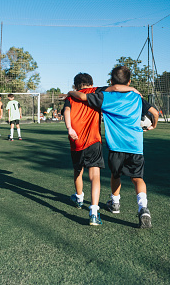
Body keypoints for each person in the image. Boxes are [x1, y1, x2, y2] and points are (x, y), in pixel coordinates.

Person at [68, 66, 159, 229]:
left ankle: (115, 202)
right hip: (135, 145)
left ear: (111, 81)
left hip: (116, 146)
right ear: (129, 81)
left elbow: (82, 96)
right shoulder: (137, 97)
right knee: (138, 178)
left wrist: (70, 93)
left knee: (115, 174)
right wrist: (153, 125)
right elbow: (155, 113)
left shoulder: (105, 97)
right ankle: (143, 208)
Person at [63, 72, 138, 226]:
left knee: (78, 171)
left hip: (75, 140)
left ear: (76, 85)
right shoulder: (96, 91)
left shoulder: (70, 97)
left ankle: (78, 198)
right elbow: (116, 87)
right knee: (95, 175)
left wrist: (70, 128)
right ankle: (94, 212)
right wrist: (134, 90)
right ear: (91, 84)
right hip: (93, 140)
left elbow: (66, 111)